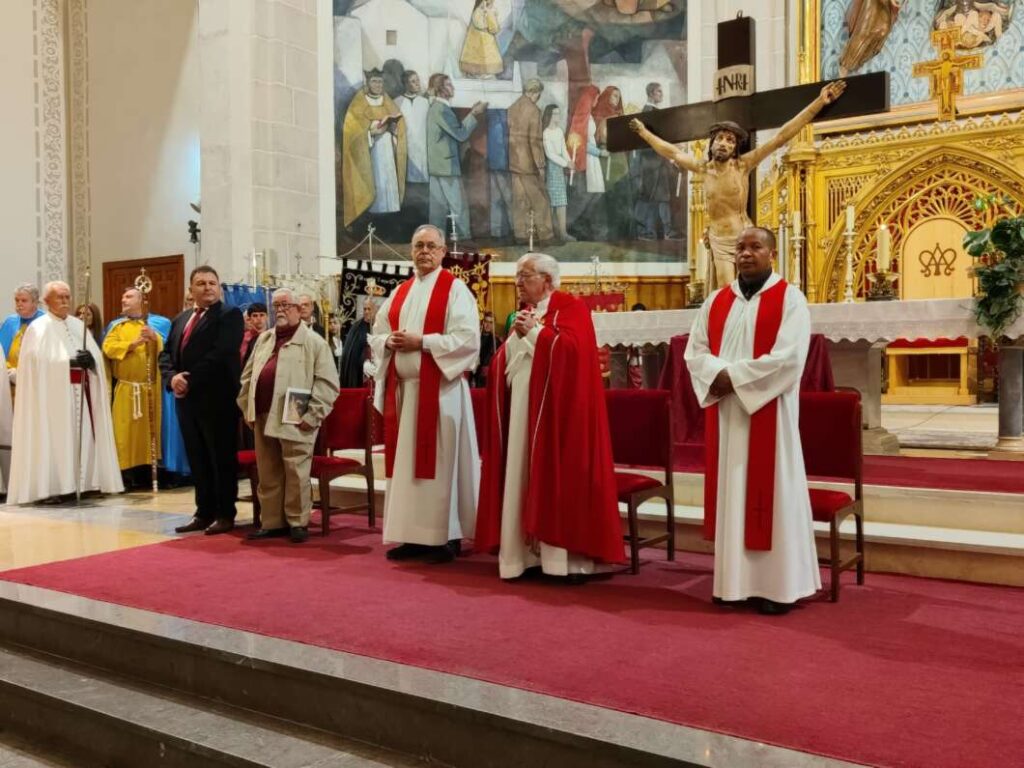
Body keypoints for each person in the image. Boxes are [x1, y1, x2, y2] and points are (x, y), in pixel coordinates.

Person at [684, 227, 819, 616]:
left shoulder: (790, 299)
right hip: (728, 414)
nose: (745, 254)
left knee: (770, 497)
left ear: (772, 253)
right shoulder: (716, 301)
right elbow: (696, 353)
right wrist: (719, 376)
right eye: (740, 247)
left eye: (755, 247)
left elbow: (789, 358)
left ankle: (777, 588)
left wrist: (731, 378)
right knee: (734, 494)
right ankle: (734, 585)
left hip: (769, 414)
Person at [475, 253, 624, 581]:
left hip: (560, 417)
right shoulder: (525, 314)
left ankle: (562, 562)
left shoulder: (572, 308)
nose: (518, 284)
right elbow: (505, 360)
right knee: (520, 474)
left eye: (524, 276)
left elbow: (573, 354)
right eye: (517, 277)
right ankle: (523, 557)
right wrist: (516, 341)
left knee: (557, 477)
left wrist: (535, 334)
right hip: (522, 411)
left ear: (547, 280)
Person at [629, 81, 847, 290]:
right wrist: (643, 132)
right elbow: (671, 151)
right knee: (726, 291)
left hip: (744, 239)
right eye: (721, 138)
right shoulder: (703, 169)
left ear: (735, 149)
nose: (724, 143)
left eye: (731, 141)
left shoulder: (742, 165)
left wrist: (819, 102)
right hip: (718, 240)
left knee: (752, 288)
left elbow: (781, 136)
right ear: (712, 143)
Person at [369, 224, 480, 563]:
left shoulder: (456, 290)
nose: (425, 252)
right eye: (419, 245)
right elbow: (376, 334)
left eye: (432, 246)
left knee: (442, 466)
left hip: (442, 393)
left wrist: (424, 342)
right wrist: (389, 341)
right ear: (411, 250)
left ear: (444, 251)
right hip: (406, 395)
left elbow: (467, 340)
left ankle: (445, 538)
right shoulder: (400, 292)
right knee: (407, 469)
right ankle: (412, 536)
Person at [239, 288, 339, 544]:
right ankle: (273, 522)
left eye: (286, 305)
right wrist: (247, 407)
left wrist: (312, 415)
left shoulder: (314, 341)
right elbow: (248, 376)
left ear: (298, 309)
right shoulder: (264, 339)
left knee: (295, 468)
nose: (280, 310)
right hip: (262, 412)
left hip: (295, 409)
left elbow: (327, 384)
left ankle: (297, 521)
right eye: (277, 305)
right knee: (268, 469)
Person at [7, 281, 122, 504]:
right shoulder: (38, 328)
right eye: (59, 297)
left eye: (67, 297)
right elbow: (34, 366)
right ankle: (55, 486)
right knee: (57, 440)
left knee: (84, 437)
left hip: (82, 393)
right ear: (46, 301)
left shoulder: (78, 325)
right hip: (52, 398)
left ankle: (86, 483)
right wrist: (67, 362)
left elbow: (97, 356)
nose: (65, 301)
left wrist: (91, 361)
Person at [159, 266, 244, 535]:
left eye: (212, 283)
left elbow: (221, 353)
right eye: (201, 283)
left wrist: (189, 379)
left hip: (217, 399)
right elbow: (166, 355)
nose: (207, 287)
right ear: (191, 289)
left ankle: (225, 513)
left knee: (220, 459)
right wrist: (172, 378)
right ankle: (203, 511)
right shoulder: (181, 319)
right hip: (187, 401)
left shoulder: (228, 316)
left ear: (219, 287)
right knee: (197, 458)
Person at [102, 288, 164, 490]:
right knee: (124, 432)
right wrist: (133, 343)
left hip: (148, 389)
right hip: (127, 389)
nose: (123, 299)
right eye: (123, 296)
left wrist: (155, 339)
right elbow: (108, 348)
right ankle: (125, 475)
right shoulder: (117, 327)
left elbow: (162, 352)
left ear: (142, 300)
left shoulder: (151, 326)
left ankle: (146, 473)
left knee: (147, 434)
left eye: (128, 296)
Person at [341, 68, 408, 229]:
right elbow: (352, 132)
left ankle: (389, 223)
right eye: (374, 81)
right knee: (375, 182)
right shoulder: (359, 102)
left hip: (387, 151)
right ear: (367, 82)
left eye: (380, 81)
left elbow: (400, 125)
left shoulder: (388, 101)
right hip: (370, 152)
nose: (378, 85)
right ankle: (370, 222)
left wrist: (393, 130)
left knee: (388, 185)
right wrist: (371, 132)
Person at [426, 74, 486, 240]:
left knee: (438, 210)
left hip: (437, 166)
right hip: (447, 167)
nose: (452, 87)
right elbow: (460, 134)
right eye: (448, 85)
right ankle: (464, 240)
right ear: (441, 90)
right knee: (458, 206)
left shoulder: (435, 108)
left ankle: (435, 241)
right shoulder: (442, 109)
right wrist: (474, 114)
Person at [507, 78, 554, 243]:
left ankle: (521, 234)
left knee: (520, 200)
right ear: (534, 92)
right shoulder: (534, 111)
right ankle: (546, 235)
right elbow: (535, 141)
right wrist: (540, 164)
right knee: (541, 200)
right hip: (529, 164)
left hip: (514, 162)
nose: (538, 98)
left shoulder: (512, 108)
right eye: (538, 95)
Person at [634, 82, 679, 241]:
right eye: (659, 92)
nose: (662, 95)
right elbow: (651, 141)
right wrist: (669, 156)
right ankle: (648, 232)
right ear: (652, 93)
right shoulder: (649, 112)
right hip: (651, 163)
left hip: (658, 161)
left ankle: (663, 231)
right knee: (651, 198)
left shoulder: (653, 112)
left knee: (661, 198)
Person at [395, 70, 431, 228]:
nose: (417, 84)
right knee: (407, 191)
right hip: (405, 152)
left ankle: (423, 225)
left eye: (417, 80)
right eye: (412, 81)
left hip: (423, 152)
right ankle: (408, 228)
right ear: (405, 84)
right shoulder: (397, 102)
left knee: (423, 192)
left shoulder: (425, 102)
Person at [541, 104, 575, 242]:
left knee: (561, 202)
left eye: (558, 114)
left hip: (560, 170)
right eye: (555, 114)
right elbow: (550, 154)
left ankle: (563, 233)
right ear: (549, 115)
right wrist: (565, 163)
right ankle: (550, 234)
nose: (557, 117)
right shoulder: (546, 132)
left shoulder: (559, 131)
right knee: (551, 203)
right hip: (551, 169)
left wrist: (569, 162)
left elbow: (563, 150)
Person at [0, 284, 44, 381]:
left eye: (24, 300)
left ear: (35, 302)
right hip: (9, 378)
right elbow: (1, 353)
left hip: (36, 378)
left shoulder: (45, 321)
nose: (19, 304)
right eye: (17, 300)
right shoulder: (10, 322)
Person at [339, 298, 379, 388]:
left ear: (376, 309)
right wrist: (364, 362)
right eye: (365, 309)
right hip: (359, 376)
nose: (366, 312)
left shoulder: (380, 326)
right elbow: (351, 354)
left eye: (369, 309)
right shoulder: (356, 328)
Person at [459, 0, 504, 78]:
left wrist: (490, 14)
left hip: (487, 44)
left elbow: (494, 28)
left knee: (487, 70)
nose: (492, 3)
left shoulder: (488, 11)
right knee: (477, 69)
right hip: (478, 46)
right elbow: (480, 24)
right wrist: (488, 14)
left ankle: (484, 75)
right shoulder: (479, 11)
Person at [472, 310, 501, 388]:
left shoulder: (496, 341)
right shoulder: (475, 338)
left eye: (491, 322)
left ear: (494, 324)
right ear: (483, 322)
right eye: (486, 321)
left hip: (486, 377)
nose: (488, 325)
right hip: (474, 373)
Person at [240, 302, 268, 367]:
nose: (259, 318)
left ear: (267, 316)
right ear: (250, 319)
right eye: (255, 315)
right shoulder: (243, 338)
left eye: (262, 315)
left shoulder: (273, 336)